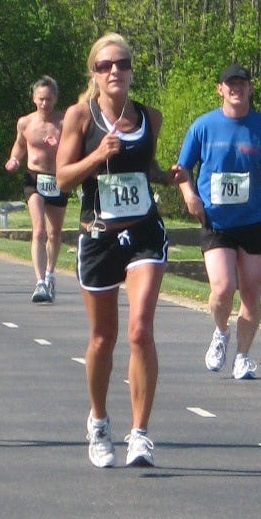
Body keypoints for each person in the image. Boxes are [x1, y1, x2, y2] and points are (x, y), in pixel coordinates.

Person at [55, 33, 171, 469]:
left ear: (131, 70)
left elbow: (146, 168)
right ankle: (99, 420)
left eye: (121, 63)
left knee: (140, 329)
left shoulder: (149, 117)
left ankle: (140, 433)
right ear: (94, 74)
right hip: (98, 236)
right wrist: (95, 156)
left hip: (143, 232)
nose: (114, 71)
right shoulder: (79, 117)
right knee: (104, 338)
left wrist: (168, 176)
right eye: (105, 66)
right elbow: (62, 179)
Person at [173, 63, 261, 380]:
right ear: (220, 89)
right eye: (230, 84)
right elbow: (182, 169)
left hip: (253, 219)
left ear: (250, 89)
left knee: (251, 292)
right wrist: (189, 195)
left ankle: (243, 355)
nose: (236, 89)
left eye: (242, 84)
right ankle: (220, 332)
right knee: (223, 288)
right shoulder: (203, 126)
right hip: (216, 219)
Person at [5, 75, 68, 303]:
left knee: (54, 233)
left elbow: (74, 152)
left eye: (49, 99)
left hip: (58, 179)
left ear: (55, 99)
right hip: (34, 178)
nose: (45, 104)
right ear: (34, 98)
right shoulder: (26, 123)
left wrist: (58, 146)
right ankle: (40, 282)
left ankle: (50, 273)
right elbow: (20, 145)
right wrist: (14, 159)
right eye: (41, 99)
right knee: (39, 230)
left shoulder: (63, 122)